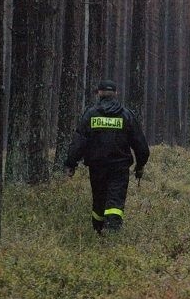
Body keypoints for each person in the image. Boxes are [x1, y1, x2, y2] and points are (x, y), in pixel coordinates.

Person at [64, 80, 150, 233]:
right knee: (115, 202)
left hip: (97, 168)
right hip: (119, 168)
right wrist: (140, 164)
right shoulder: (126, 115)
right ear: (116, 94)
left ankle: (98, 232)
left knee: (99, 200)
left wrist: (71, 164)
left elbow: (79, 142)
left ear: (99, 93)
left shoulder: (90, 114)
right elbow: (140, 144)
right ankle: (112, 234)